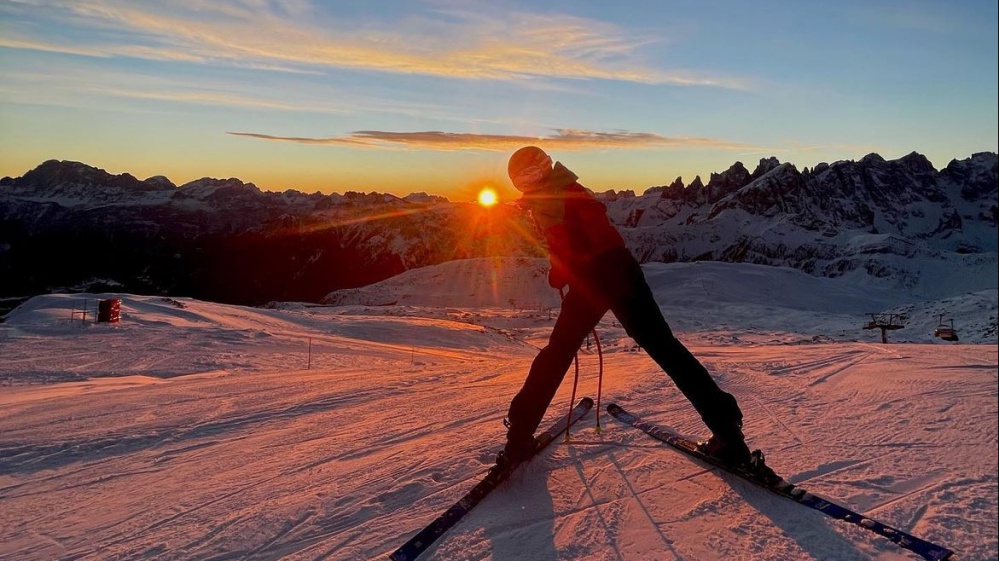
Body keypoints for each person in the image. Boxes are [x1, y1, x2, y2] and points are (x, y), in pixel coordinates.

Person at [499, 146, 752, 468]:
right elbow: (581, 243)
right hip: (617, 277)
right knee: (664, 348)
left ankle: (519, 436)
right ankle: (728, 433)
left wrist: (565, 271)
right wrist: (567, 268)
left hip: (601, 279)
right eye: (521, 178)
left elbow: (595, 242)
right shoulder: (557, 194)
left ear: (545, 168)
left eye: (531, 174)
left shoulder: (565, 195)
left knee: (558, 353)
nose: (527, 182)